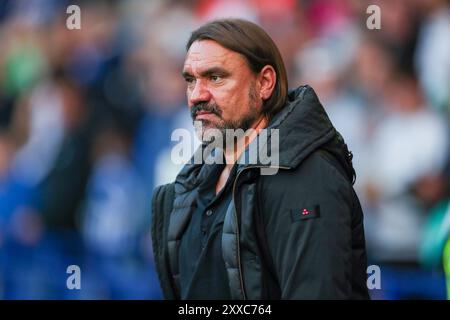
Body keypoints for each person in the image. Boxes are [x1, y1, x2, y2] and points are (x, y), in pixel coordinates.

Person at [151, 18, 369, 300]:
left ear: (265, 82)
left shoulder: (306, 177)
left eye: (215, 77)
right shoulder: (192, 183)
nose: (197, 95)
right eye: (191, 80)